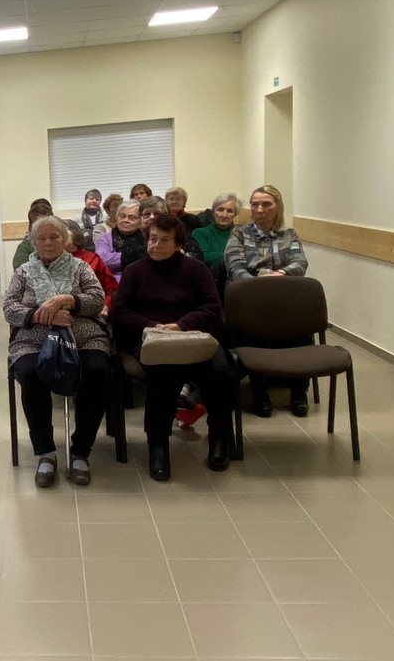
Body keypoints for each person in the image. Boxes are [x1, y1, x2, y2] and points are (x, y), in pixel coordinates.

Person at [112, 215, 235, 481]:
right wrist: (152, 326)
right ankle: (158, 446)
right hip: (151, 338)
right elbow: (121, 311)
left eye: (165, 240)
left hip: (193, 335)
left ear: (179, 244)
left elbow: (212, 307)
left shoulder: (195, 269)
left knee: (220, 372)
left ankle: (220, 439)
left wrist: (181, 325)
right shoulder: (135, 271)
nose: (157, 245)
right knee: (163, 375)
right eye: (153, 239)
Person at [4, 215, 109, 488]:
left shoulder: (80, 267)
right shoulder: (23, 271)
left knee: (96, 370)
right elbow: (10, 308)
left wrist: (68, 300)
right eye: (42, 238)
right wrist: (44, 315)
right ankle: (46, 453)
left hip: (83, 338)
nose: (48, 242)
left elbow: (97, 300)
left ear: (65, 240)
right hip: (34, 341)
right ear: (34, 242)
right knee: (31, 373)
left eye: (54, 237)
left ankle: (80, 452)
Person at [224, 184, 311, 418]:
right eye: (255, 204)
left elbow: (300, 263)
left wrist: (281, 274)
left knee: (302, 329)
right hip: (251, 298)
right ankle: (260, 392)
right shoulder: (239, 234)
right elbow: (235, 267)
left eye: (266, 204)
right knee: (255, 331)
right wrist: (259, 287)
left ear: (278, 207)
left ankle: (299, 391)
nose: (260, 209)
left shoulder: (289, 235)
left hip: (284, 298)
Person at [64, 220, 117, 318]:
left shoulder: (92, 259)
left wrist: (106, 306)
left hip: (92, 312)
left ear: (74, 234)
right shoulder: (49, 261)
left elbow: (111, 289)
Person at [94, 199, 145, 278]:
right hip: (114, 281)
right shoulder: (105, 238)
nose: (125, 220)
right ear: (117, 218)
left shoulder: (146, 238)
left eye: (132, 218)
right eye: (122, 216)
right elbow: (101, 260)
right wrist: (128, 256)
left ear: (140, 221)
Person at [13, 199, 54, 270]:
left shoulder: (59, 243)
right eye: (37, 224)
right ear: (30, 226)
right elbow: (22, 272)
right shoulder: (24, 248)